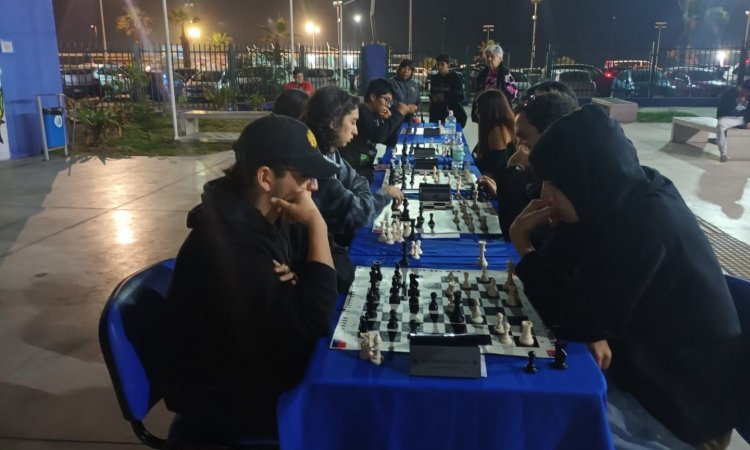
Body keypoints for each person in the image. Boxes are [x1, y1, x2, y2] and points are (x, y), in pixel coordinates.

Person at [509, 105, 749, 449]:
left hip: (679, 413)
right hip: (647, 380)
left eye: (556, 182)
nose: (545, 194)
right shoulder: (619, 195)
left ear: (585, 177)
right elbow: (568, 279)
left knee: (535, 420)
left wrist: (523, 243)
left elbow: (576, 318)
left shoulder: (645, 222)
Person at [159, 115, 344, 442]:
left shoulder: (272, 215)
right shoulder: (227, 245)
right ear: (265, 178)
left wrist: (303, 277)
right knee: (352, 413)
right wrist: (317, 225)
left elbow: (340, 269)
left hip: (257, 364)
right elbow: (314, 317)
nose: (313, 187)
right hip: (230, 401)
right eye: (304, 177)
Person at [304, 85, 403, 246]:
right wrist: (386, 193)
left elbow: (358, 180)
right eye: (352, 122)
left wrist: (360, 199)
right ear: (334, 123)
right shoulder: (318, 165)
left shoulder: (331, 151)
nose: (355, 131)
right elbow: (361, 214)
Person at [478, 88, 579, 239]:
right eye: (517, 137)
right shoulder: (539, 172)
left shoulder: (569, 183)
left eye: (524, 138)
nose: (518, 144)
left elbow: (516, 231)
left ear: (550, 135)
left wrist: (513, 172)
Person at [341, 78, 414, 182]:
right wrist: (398, 114)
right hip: (355, 170)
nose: (388, 105)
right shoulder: (362, 112)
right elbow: (378, 136)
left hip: (366, 164)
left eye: (390, 102)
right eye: (386, 100)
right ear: (373, 97)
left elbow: (390, 140)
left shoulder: (374, 114)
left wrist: (389, 119)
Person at [472, 89, 517, 179]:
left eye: (479, 108)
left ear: (488, 110)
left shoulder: (497, 131)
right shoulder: (501, 126)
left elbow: (494, 170)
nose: (476, 112)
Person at [471, 44, 518, 122]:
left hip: (499, 112)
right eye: (487, 57)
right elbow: (477, 92)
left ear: (500, 59)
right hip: (484, 112)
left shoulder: (504, 74)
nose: (489, 59)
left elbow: (513, 93)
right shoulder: (482, 74)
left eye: (492, 57)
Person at [715, 79, 750, 162]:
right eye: (748, 91)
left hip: (744, 119)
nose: (748, 94)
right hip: (730, 118)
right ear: (742, 88)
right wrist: (737, 103)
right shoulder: (729, 94)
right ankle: (723, 153)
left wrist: (748, 121)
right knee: (720, 125)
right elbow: (721, 112)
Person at [429, 53, 467, 128]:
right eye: (437, 64)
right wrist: (433, 97)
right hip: (437, 114)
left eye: (442, 64)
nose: (439, 67)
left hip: (453, 113)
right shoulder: (434, 78)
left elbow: (460, 95)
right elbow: (432, 93)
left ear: (448, 66)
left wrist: (444, 96)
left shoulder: (454, 77)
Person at [389, 58, 423, 124]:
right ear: (399, 69)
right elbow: (388, 101)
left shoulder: (414, 84)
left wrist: (415, 107)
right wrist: (405, 108)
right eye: (404, 68)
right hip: (395, 120)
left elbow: (419, 102)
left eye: (409, 69)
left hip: (411, 121)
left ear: (412, 71)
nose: (406, 71)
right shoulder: (391, 82)